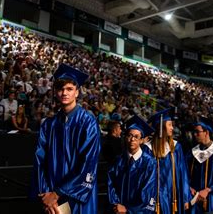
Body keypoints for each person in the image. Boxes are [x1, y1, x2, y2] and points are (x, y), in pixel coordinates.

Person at [32, 64, 100, 213]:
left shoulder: (87, 121)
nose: (64, 93)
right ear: (55, 92)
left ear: (77, 92)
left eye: (69, 89)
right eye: (60, 89)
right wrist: (46, 194)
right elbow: (40, 161)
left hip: (77, 196)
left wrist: (56, 194)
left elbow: (87, 163)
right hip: (51, 199)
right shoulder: (49, 125)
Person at [144, 108, 191, 214]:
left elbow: (182, 173)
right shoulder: (147, 149)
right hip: (153, 196)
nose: (172, 128)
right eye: (169, 125)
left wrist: (185, 196)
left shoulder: (176, 147)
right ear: (161, 127)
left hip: (173, 194)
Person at [107, 115, 157, 213]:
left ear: (142, 140)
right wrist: (116, 205)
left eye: (136, 136)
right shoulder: (118, 160)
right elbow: (111, 184)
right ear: (125, 137)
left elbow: (148, 192)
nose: (132, 139)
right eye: (129, 135)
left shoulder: (149, 163)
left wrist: (128, 209)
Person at [187, 117, 213, 213]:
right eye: (194, 132)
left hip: (211, 198)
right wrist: (188, 187)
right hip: (193, 197)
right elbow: (184, 172)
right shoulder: (192, 152)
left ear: (206, 132)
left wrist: (208, 190)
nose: (195, 134)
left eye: (198, 132)